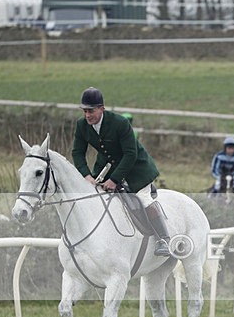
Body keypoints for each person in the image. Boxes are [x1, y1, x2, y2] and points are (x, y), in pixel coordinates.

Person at [71, 87, 172, 256]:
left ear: (102, 108)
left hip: (136, 168)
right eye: (85, 111)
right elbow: (77, 152)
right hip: (106, 167)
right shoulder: (81, 125)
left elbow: (130, 154)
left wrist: (115, 180)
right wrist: (87, 176)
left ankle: (164, 239)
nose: (88, 115)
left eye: (91, 111)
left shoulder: (120, 123)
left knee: (143, 198)